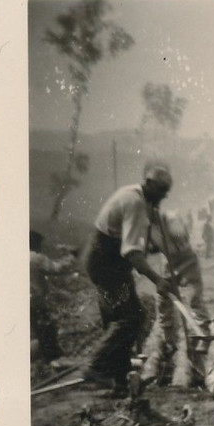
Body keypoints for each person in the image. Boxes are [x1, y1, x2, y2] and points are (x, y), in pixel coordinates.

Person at [82, 164, 176, 395]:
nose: (163, 197)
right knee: (131, 318)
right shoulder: (135, 204)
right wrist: (158, 280)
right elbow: (132, 252)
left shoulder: (135, 194)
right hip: (108, 266)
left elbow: (137, 239)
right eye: (161, 192)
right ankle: (96, 367)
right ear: (150, 185)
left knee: (118, 318)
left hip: (105, 262)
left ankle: (120, 382)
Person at [139, 209, 214, 392]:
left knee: (194, 298)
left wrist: (161, 241)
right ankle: (166, 338)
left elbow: (180, 241)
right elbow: (150, 248)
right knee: (163, 299)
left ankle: (201, 335)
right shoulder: (147, 227)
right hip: (167, 262)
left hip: (186, 260)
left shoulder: (172, 219)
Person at [29, 230, 75, 371]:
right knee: (46, 329)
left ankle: (41, 363)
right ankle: (53, 361)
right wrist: (71, 256)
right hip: (36, 301)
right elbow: (57, 268)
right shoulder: (36, 258)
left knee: (35, 331)